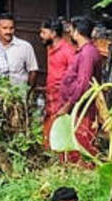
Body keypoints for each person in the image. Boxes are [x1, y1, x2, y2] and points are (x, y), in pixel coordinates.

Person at [56, 17, 102, 161]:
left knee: (82, 141)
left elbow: (83, 83)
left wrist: (69, 105)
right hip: (77, 106)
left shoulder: (87, 53)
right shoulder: (85, 51)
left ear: (77, 32)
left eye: (72, 30)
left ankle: (84, 170)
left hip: (82, 108)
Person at [40, 18, 76, 148]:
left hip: (62, 99)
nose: (41, 36)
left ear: (53, 33)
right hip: (51, 97)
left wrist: (68, 103)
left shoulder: (68, 51)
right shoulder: (49, 48)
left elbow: (74, 79)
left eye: (44, 32)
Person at [0, 13, 39, 92]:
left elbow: (33, 71)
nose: (8, 31)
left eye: (11, 28)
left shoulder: (25, 47)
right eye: (5, 28)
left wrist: (28, 93)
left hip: (19, 96)